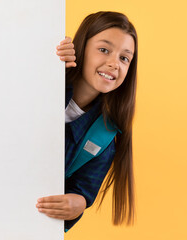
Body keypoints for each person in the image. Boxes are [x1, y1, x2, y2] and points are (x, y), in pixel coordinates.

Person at [35, 11, 138, 232]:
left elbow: (83, 190)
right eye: (103, 50)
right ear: (81, 47)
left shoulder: (105, 134)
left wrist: (79, 203)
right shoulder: (45, 80)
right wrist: (46, 63)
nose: (114, 64)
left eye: (124, 58)